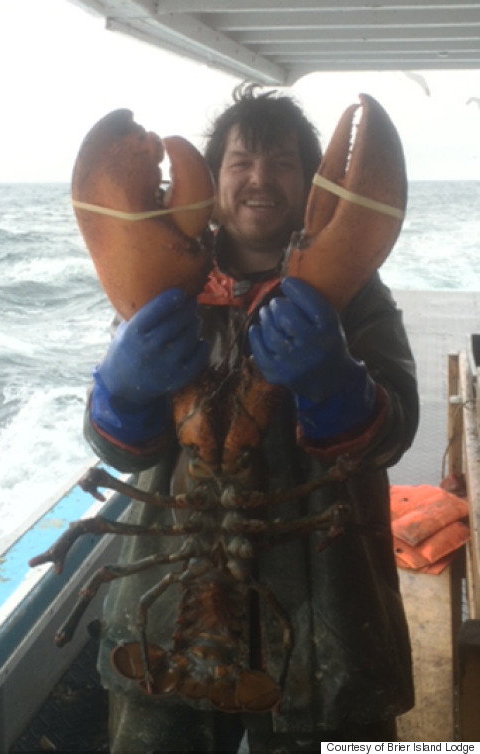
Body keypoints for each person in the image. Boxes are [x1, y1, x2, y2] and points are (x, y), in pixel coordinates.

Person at [83, 83, 419, 752]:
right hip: (164, 630)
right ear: (213, 179)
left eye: (283, 162)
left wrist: (340, 387)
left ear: (310, 183)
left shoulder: (357, 292)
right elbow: (116, 451)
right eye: (240, 160)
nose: (260, 177)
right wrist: (117, 394)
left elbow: (396, 429)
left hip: (327, 634)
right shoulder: (159, 286)